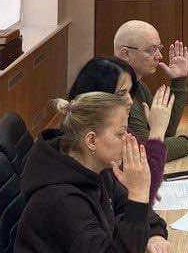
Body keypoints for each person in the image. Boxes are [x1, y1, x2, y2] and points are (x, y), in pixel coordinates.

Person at [0, 92, 172, 253]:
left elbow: (130, 210)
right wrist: (138, 192)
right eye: (121, 133)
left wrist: (154, 235)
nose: (129, 139)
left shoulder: (95, 168)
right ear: (91, 140)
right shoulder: (61, 202)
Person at [68, 56, 173, 199]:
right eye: (121, 93)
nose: (130, 101)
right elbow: (144, 188)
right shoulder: (96, 142)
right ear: (99, 96)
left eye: (130, 92)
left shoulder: (113, 126)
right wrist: (157, 131)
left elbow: (140, 179)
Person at [113, 20, 188, 160]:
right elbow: (146, 151)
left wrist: (179, 79)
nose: (159, 56)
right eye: (151, 50)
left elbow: (164, 131)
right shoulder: (120, 92)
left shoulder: (138, 85)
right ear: (126, 54)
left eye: (159, 48)